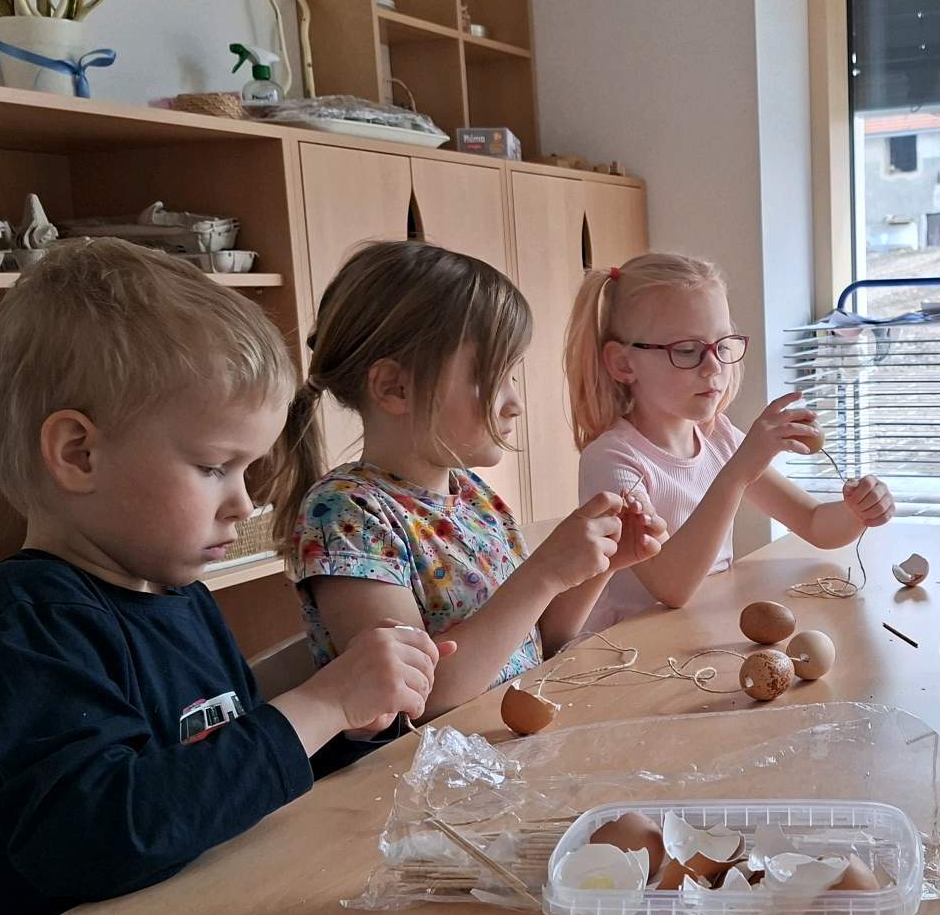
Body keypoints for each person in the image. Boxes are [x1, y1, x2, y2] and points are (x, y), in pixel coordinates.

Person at [0, 240, 440, 915]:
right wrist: (319, 705)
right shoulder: (32, 625)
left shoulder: (176, 597)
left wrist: (347, 723)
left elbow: (228, 775)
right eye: (214, 467)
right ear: (79, 455)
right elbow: (105, 836)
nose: (243, 503)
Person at [268, 240, 664, 712]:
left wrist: (600, 566)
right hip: (422, 756)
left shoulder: (475, 496)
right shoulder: (346, 514)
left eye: (513, 376)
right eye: (492, 377)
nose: (515, 403)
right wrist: (543, 572)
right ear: (395, 388)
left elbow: (539, 639)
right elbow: (420, 699)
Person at [564, 253, 894, 634]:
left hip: (701, 631)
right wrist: (738, 471)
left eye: (722, 346)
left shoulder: (717, 436)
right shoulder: (612, 459)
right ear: (623, 364)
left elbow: (814, 523)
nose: (714, 367)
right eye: (686, 350)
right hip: (632, 648)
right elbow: (672, 588)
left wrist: (856, 512)